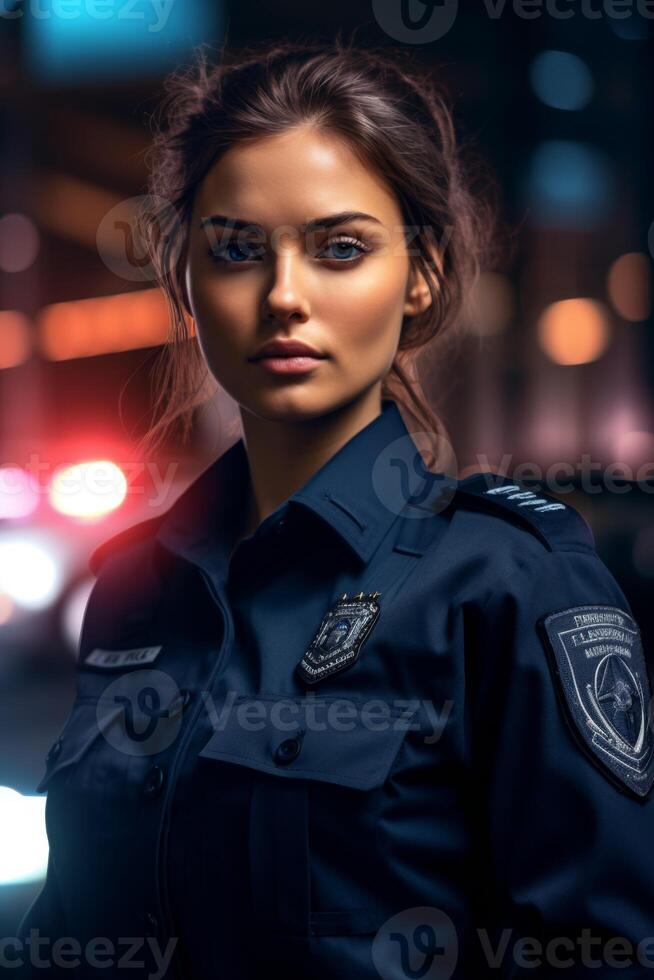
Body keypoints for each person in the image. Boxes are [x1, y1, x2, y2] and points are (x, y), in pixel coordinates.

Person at [16, 38, 654, 980]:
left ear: (422, 276)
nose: (283, 297)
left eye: (340, 248)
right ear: (185, 280)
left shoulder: (513, 587)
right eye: (236, 250)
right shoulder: (134, 590)